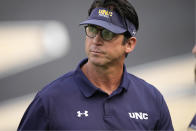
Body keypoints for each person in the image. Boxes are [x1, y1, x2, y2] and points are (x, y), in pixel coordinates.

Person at [18, 0, 174, 130]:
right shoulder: (49, 100)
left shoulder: (151, 100)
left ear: (129, 44)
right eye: (92, 30)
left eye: (107, 33)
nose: (96, 40)